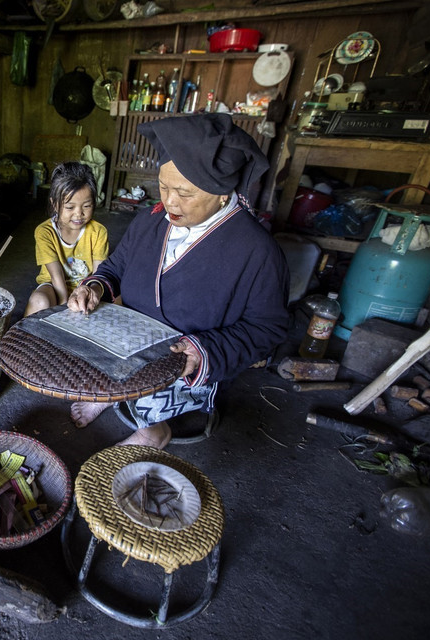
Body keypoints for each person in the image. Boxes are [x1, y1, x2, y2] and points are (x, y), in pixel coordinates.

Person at [67, 114, 290, 448]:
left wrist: (202, 353)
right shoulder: (150, 220)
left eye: (184, 193)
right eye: (164, 186)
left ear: (221, 194)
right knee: (84, 340)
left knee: (153, 380)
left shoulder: (257, 250)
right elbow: (116, 265)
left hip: (190, 356)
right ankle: (108, 396)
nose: (169, 201)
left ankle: (153, 431)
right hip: (131, 337)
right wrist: (95, 287)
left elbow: (268, 327)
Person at [24, 162, 109, 317]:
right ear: (55, 204)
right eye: (70, 207)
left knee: (117, 298)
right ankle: (23, 336)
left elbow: (99, 275)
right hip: (54, 287)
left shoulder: (98, 232)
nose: (78, 214)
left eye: (87, 206)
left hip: (85, 288)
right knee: (39, 301)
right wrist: (64, 308)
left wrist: (89, 295)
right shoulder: (45, 232)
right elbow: (56, 277)